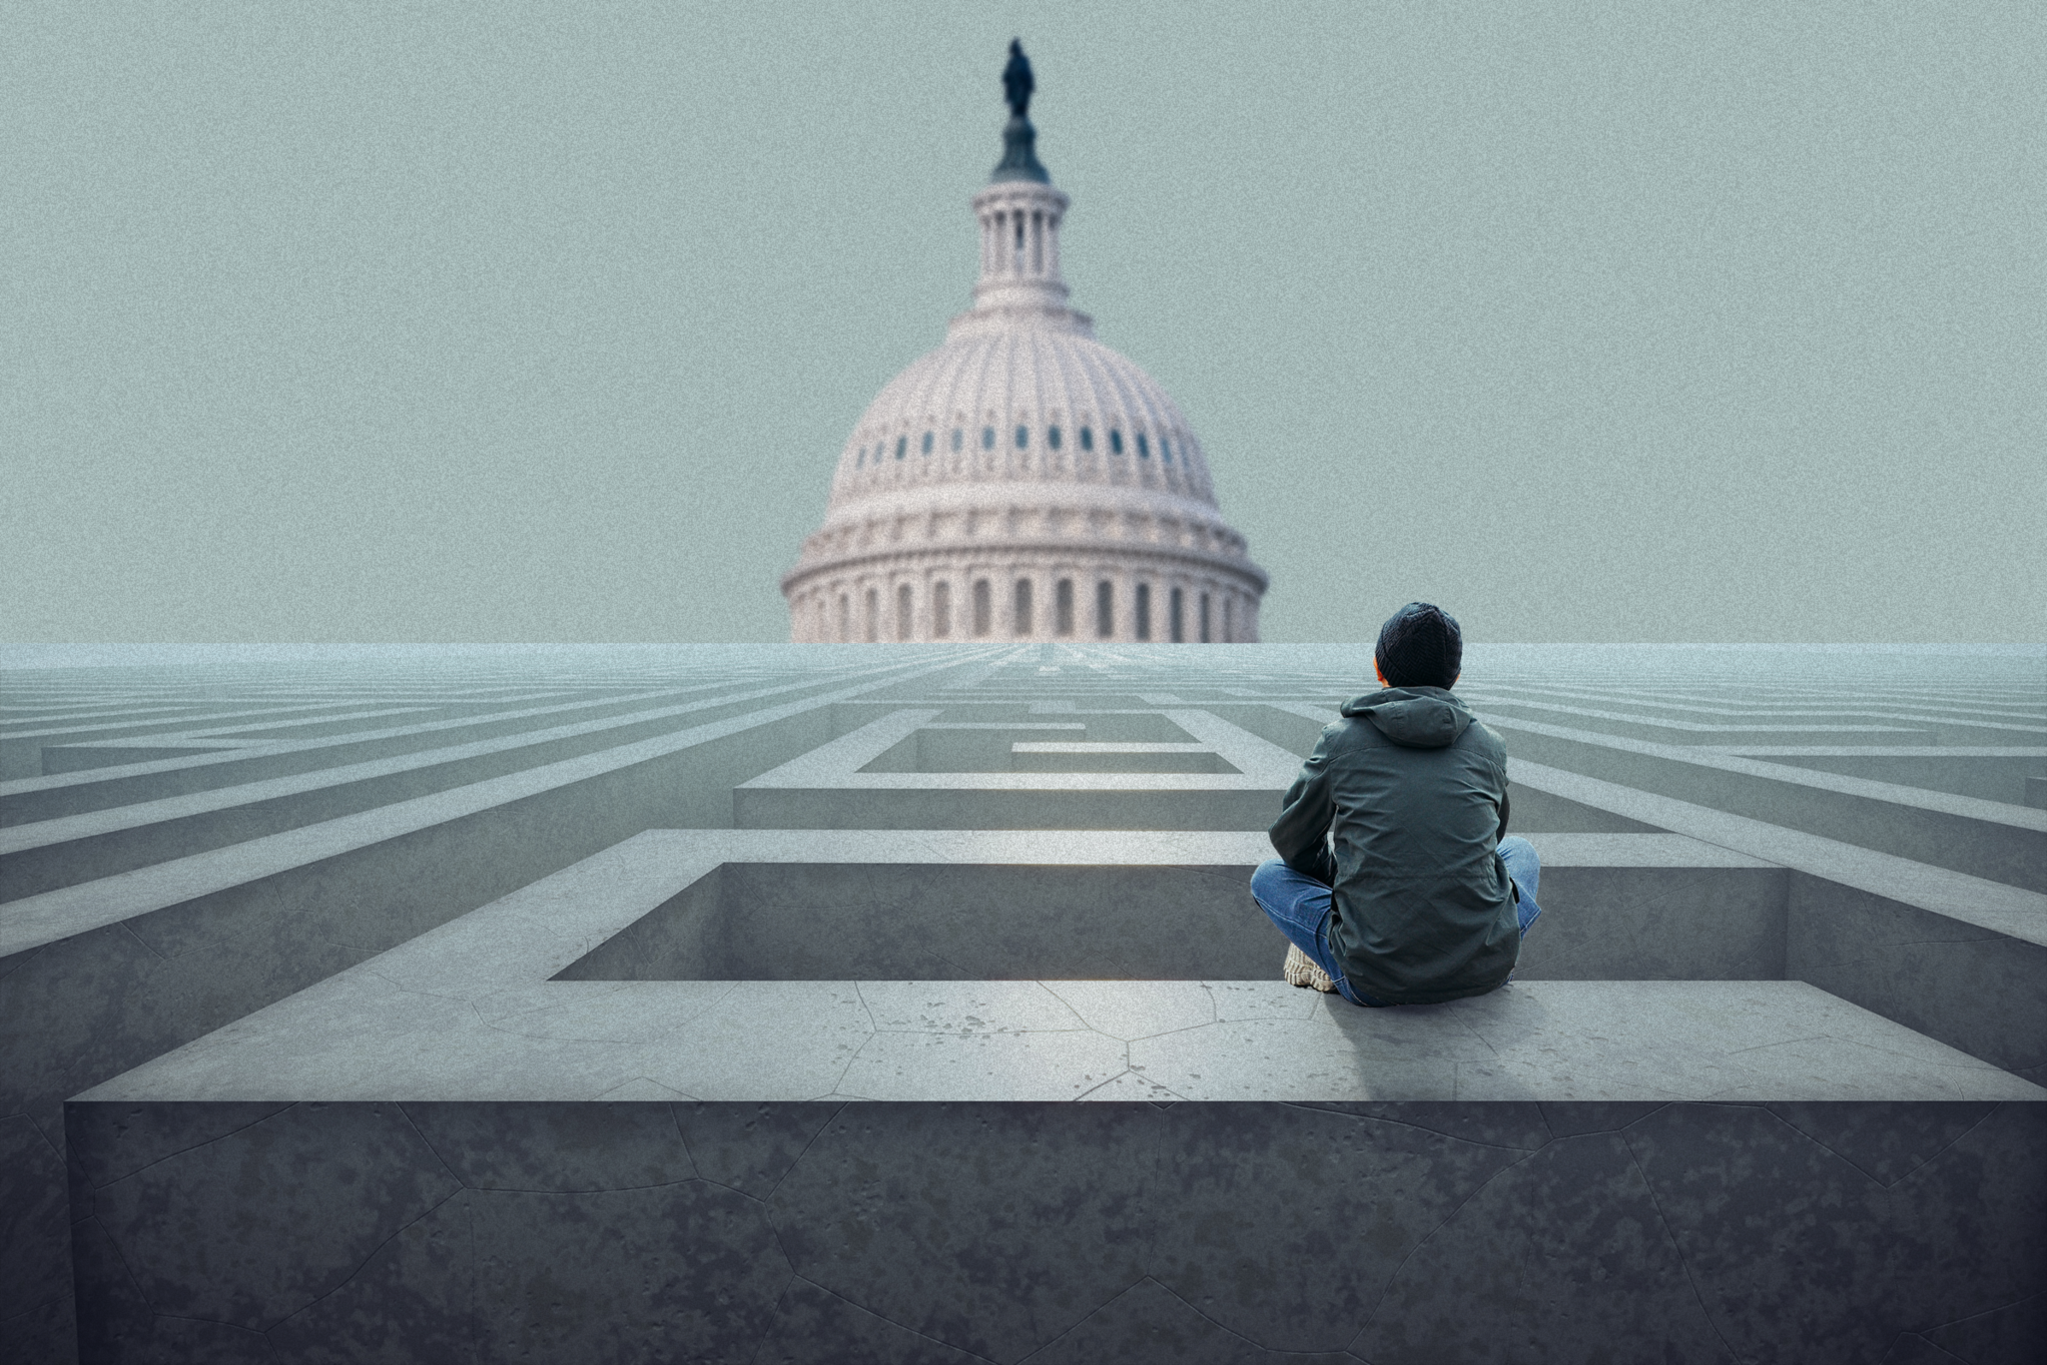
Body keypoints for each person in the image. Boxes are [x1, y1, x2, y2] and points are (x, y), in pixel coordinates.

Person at [1250, 602, 1541, 1006]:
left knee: (1267, 876)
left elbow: (1292, 840)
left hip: (1372, 978)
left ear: (1377, 667)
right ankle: (1478, 952)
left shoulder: (1340, 739)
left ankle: (1331, 954)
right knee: (1522, 852)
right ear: (1454, 677)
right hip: (1485, 971)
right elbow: (1492, 843)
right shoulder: (1490, 745)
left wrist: (1335, 879)